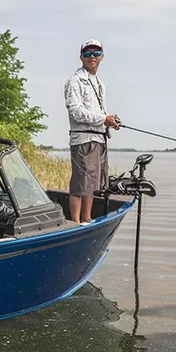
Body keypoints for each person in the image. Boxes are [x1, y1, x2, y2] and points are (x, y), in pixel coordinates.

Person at [64, 39, 121, 224]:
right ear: (81, 57)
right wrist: (103, 119)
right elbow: (76, 112)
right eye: (88, 53)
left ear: (102, 57)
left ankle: (87, 219)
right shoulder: (74, 81)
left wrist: (110, 121)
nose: (92, 57)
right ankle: (76, 223)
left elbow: (98, 112)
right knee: (80, 184)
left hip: (98, 139)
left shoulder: (99, 84)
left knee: (92, 184)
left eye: (96, 53)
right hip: (83, 139)